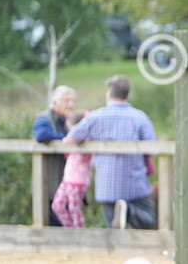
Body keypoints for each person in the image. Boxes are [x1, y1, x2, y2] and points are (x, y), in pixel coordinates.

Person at [66, 75, 157, 229]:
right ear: (127, 95)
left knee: (113, 232)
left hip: (107, 186)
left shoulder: (95, 117)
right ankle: (128, 211)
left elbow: (72, 137)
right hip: (135, 183)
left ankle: (124, 212)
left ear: (109, 94)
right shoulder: (140, 117)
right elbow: (153, 148)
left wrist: (89, 141)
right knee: (149, 223)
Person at [32, 86, 76, 227]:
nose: (71, 104)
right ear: (54, 102)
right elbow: (41, 135)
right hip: (50, 186)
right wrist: (65, 139)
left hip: (66, 185)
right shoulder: (43, 119)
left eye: (73, 101)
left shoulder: (69, 122)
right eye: (66, 100)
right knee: (53, 226)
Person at [52, 112, 91, 228]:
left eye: (72, 129)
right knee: (57, 205)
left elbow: (74, 140)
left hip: (79, 180)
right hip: (68, 178)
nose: (70, 132)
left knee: (74, 209)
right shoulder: (73, 140)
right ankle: (70, 229)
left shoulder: (87, 140)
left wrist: (71, 138)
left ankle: (78, 232)